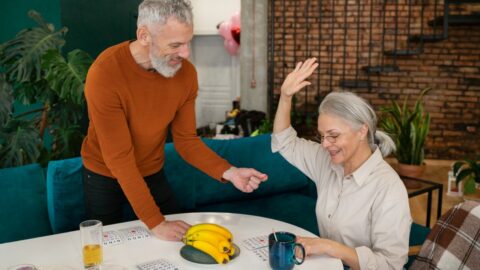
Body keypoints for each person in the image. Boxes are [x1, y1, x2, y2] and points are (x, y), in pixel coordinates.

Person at [81, 0, 268, 242]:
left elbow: (186, 141)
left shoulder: (186, 74)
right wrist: (156, 223)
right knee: (107, 247)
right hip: (103, 174)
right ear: (144, 36)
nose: (186, 53)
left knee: (180, 238)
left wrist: (230, 172)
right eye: (175, 45)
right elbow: (119, 158)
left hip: (152, 170)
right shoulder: (105, 73)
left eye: (187, 42)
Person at [271, 58, 412, 270]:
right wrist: (285, 96)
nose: (326, 144)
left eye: (334, 136)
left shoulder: (388, 188)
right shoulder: (326, 161)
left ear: (362, 131)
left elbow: (390, 265)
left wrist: (329, 247)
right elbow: (285, 141)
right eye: (322, 136)